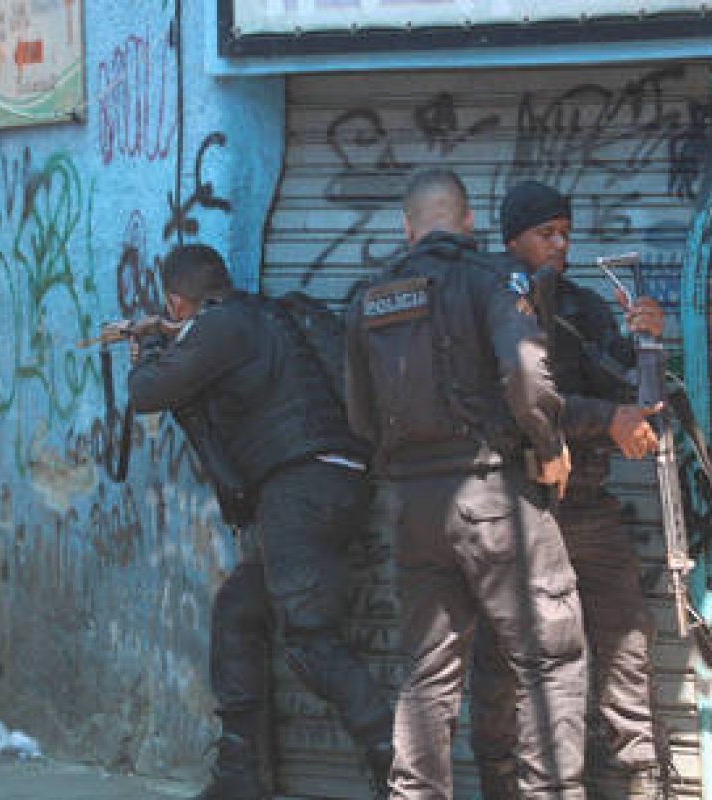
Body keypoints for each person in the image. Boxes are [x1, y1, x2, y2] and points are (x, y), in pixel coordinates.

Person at [344, 169, 587, 799]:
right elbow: (528, 375)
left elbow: (359, 416)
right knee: (548, 663)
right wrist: (549, 445)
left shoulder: (368, 297)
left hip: (414, 509)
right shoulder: (492, 279)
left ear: (407, 225)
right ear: (471, 221)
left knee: (427, 675)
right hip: (494, 496)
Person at [127, 244, 395, 800]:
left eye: (172, 310)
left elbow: (147, 392)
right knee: (240, 611)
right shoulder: (266, 315)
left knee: (307, 636)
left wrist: (151, 343)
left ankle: (397, 766)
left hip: (300, 487)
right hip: (329, 483)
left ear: (178, 301)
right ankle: (239, 774)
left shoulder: (222, 327)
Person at [468, 180, 669, 800]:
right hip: (513, 506)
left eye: (565, 233)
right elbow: (512, 400)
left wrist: (649, 340)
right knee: (504, 660)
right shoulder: (487, 304)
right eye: (544, 234)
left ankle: (640, 780)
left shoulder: (581, 307)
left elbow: (638, 407)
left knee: (624, 641)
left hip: (584, 504)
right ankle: (502, 784)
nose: (560, 245)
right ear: (511, 241)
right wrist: (598, 419)